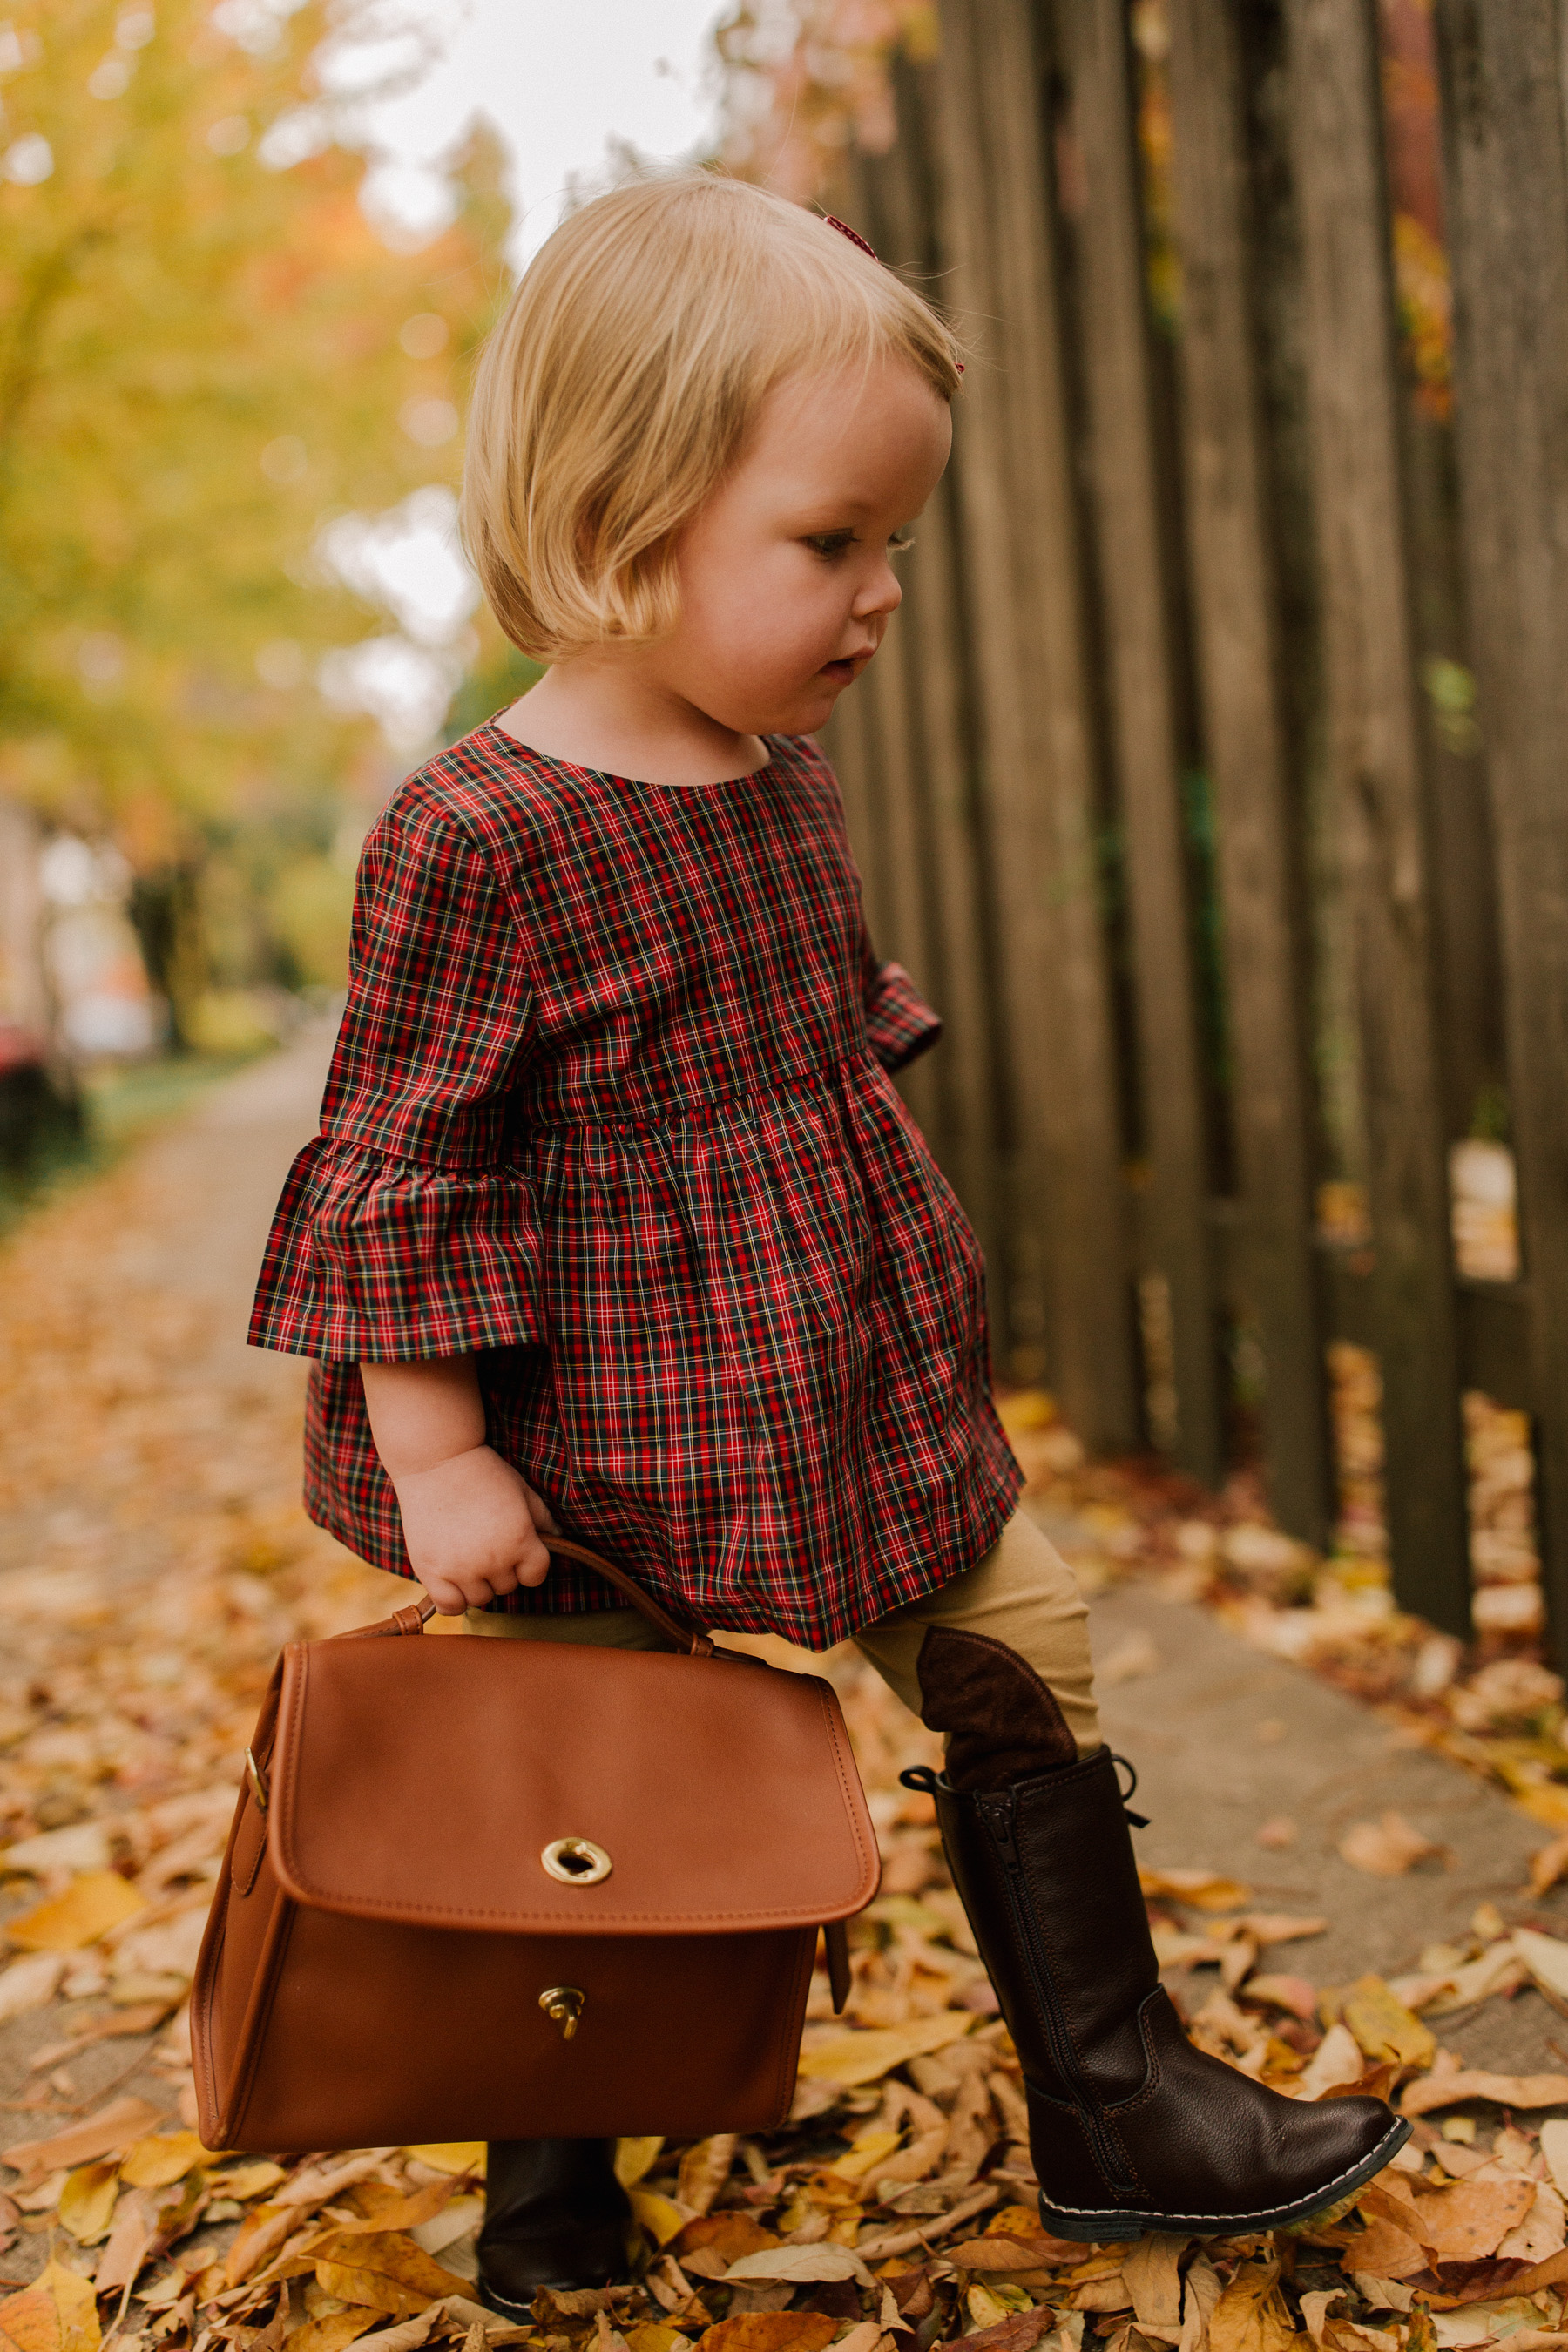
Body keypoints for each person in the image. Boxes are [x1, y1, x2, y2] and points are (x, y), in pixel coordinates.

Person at [249, 172, 1405, 2308]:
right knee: (567, 1789)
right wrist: (439, 1463)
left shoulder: (779, 771)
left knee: (1020, 1661)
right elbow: (401, 1170)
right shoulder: (476, 833)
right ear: (623, 509)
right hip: (584, 1447)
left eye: (897, 544)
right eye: (829, 541)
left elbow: (823, 1057)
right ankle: (552, 2182)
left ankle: (1115, 2093)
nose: (881, 595)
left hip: (835, 1379)